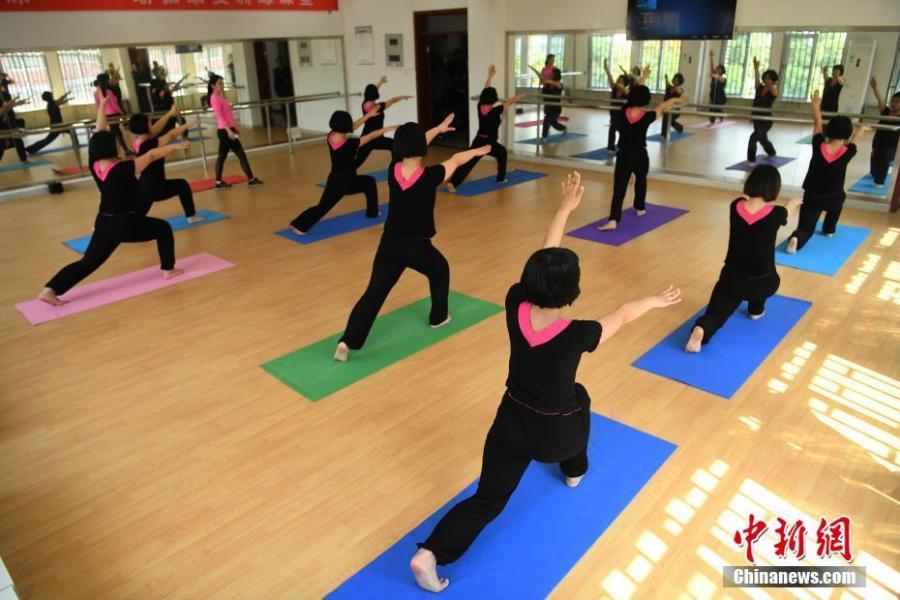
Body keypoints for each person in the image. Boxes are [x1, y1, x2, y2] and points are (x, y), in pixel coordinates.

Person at [409, 171, 683, 592]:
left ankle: (429, 554)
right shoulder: (579, 333)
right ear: (573, 291)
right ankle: (574, 471)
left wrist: (563, 210)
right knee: (580, 399)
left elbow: (543, 255)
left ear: (531, 281)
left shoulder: (515, 302)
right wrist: (654, 299)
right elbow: (625, 315)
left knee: (488, 499)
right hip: (554, 436)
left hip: (509, 421)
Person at [333, 116, 493, 362]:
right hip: (417, 247)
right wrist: (476, 151)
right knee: (440, 270)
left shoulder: (393, 169)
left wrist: (437, 128)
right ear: (421, 147)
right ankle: (438, 318)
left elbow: (414, 144)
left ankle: (347, 341)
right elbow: (456, 159)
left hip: (389, 244)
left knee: (373, 295)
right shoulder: (431, 175)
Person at [37, 95, 188, 307]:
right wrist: (176, 147)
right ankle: (168, 270)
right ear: (112, 147)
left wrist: (103, 106)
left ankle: (50, 289)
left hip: (103, 222)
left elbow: (100, 131)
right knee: (163, 229)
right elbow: (152, 155)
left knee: (88, 262)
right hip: (124, 223)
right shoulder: (123, 168)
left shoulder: (94, 164)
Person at [685, 165, 802, 353]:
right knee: (768, 278)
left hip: (731, 280)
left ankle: (701, 330)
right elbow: (786, 213)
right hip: (762, 283)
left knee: (716, 314)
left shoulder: (735, 206)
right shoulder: (776, 214)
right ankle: (755, 311)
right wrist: (793, 202)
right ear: (775, 189)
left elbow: (747, 203)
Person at [289, 106, 394, 234]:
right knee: (367, 184)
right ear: (346, 126)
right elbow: (371, 136)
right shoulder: (350, 144)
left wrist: (368, 115)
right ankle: (300, 226)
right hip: (347, 181)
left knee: (367, 183)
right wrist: (389, 128)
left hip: (334, 178)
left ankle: (297, 224)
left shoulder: (331, 135)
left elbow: (354, 126)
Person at [598, 78, 684, 231]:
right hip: (640, 156)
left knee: (619, 189)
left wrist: (642, 80)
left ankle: (613, 220)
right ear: (646, 100)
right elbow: (663, 106)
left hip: (624, 156)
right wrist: (677, 99)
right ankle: (640, 208)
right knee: (641, 181)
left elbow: (631, 94)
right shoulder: (647, 116)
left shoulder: (623, 111)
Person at [786, 90, 865, 253]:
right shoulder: (847, 152)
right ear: (847, 134)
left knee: (806, 228)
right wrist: (862, 128)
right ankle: (829, 229)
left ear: (829, 131)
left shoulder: (818, 145)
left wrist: (815, 105)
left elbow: (817, 123)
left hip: (812, 196)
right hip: (833, 197)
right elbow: (855, 139)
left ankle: (796, 238)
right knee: (840, 198)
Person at [446, 65, 521, 193]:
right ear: (494, 99)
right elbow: (509, 102)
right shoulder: (495, 111)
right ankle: (501, 178)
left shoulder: (480, 106)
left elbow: (486, 90)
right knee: (502, 153)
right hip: (489, 143)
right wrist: (520, 96)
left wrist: (490, 76)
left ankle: (453, 182)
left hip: (478, 140)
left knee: (469, 162)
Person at [129, 105, 203, 223]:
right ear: (145, 127)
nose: (152, 125)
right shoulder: (149, 144)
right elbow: (170, 135)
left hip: (143, 186)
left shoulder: (137, 142)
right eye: (150, 123)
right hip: (156, 186)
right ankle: (191, 216)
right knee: (182, 185)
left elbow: (157, 128)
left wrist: (170, 114)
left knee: (135, 218)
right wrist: (187, 125)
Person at [207, 74, 263, 189]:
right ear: (213, 86)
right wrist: (229, 131)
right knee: (241, 154)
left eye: (222, 83)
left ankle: (218, 182)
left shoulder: (220, 97)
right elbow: (219, 116)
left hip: (227, 130)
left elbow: (227, 115)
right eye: (219, 83)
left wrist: (234, 128)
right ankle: (251, 179)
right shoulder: (214, 98)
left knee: (222, 156)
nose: (222, 85)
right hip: (225, 131)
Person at [354, 75, 412, 168]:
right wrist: (403, 97)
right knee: (394, 145)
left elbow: (373, 92)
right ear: (375, 94)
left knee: (393, 145)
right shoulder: (378, 107)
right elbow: (392, 100)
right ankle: (396, 168)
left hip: (367, 137)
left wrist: (380, 83)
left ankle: (396, 167)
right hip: (374, 138)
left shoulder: (365, 103)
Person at [867, 77, 900, 187]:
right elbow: (880, 99)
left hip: (891, 146)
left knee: (884, 159)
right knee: (875, 156)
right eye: (892, 101)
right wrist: (875, 88)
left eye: (896, 102)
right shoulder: (885, 111)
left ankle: (879, 181)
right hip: (878, 141)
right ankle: (873, 172)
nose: (893, 103)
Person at [747, 57, 779, 163]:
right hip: (757, 118)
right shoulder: (759, 88)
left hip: (766, 120)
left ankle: (751, 159)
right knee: (762, 139)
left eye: (769, 78)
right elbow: (757, 80)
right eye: (765, 77)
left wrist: (770, 84)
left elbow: (774, 91)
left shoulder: (774, 90)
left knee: (753, 137)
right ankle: (771, 152)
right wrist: (756, 68)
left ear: (773, 80)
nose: (766, 79)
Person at [26, 91, 75, 155]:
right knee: (48, 140)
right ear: (50, 96)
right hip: (56, 125)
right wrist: (68, 99)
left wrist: (67, 94)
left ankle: (30, 149)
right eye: (51, 95)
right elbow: (61, 101)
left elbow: (60, 99)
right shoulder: (52, 103)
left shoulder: (51, 103)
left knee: (70, 131)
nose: (52, 96)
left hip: (57, 124)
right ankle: (30, 149)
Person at [94, 72, 130, 156]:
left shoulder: (96, 92)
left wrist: (100, 115)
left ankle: (122, 151)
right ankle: (120, 152)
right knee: (116, 133)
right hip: (114, 114)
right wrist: (122, 112)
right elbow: (114, 105)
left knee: (115, 133)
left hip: (105, 115)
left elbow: (97, 106)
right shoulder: (109, 92)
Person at [528, 65, 566, 138]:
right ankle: (561, 129)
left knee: (549, 121)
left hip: (556, 108)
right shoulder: (547, 84)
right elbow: (541, 78)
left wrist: (544, 80)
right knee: (551, 122)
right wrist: (534, 70)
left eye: (552, 74)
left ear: (556, 75)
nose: (550, 75)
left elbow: (553, 83)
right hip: (548, 106)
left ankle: (544, 136)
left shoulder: (559, 84)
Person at [603, 59, 629, 152]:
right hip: (614, 113)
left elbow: (626, 91)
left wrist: (621, 86)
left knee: (622, 131)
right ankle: (610, 147)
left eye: (621, 81)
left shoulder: (626, 91)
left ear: (624, 83)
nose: (619, 82)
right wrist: (606, 69)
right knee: (612, 129)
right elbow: (610, 77)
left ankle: (622, 145)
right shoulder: (614, 88)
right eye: (618, 80)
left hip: (622, 114)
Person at [0, 96, 29, 164]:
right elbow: (2, 110)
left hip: (3, 126)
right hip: (2, 127)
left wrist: (15, 104)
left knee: (2, 147)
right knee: (1, 147)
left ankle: (23, 158)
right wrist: (10, 103)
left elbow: (4, 110)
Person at [272, 56, 297, 126]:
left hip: (287, 90)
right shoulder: (275, 71)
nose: (279, 64)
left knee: (291, 106)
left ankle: (293, 120)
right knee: (283, 107)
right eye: (278, 62)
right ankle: (287, 121)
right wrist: (276, 91)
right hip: (280, 91)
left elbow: (288, 80)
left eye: (280, 62)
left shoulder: (287, 70)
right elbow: (276, 81)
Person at [661, 73, 685, 138]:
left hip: (675, 109)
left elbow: (679, 92)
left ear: (680, 82)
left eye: (677, 80)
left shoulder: (680, 89)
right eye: (674, 79)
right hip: (666, 107)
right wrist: (666, 78)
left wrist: (675, 87)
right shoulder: (669, 87)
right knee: (667, 119)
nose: (675, 81)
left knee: (668, 119)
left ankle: (666, 133)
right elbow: (667, 83)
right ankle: (678, 128)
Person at [708, 50, 727, 125]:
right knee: (711, 109)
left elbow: (719, 78)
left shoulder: (723, 78)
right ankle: (712, 119)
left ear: (722, 72)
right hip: (713, 95)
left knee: (716, 109)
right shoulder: (714, 75)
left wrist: (714, 75)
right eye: (717, 68)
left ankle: (720, 115)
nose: (717, 70)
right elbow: (711, 66)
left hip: (720, 97)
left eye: (719, 69)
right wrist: (711, 57)